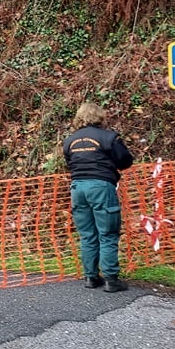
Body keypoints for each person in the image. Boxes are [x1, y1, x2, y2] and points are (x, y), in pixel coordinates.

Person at [62, 102, 134, 293]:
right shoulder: (109, 137)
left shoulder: (69, 141)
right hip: (101, 186)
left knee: (87, 235)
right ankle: (111, 279)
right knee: (108, 233)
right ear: (100, 117)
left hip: (77, 188)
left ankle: (91, 277)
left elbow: (69, 163)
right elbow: (125, 160)